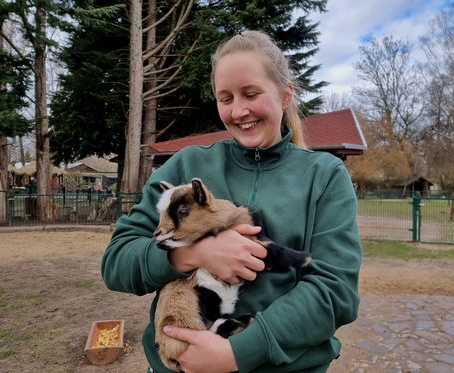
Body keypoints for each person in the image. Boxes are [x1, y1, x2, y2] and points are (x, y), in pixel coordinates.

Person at [102, 30, 362, 373]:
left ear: (285, 96)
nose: (239, 111)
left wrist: (237, 352)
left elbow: (336, 292)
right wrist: (192, 254)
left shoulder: (324, 176)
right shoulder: (186, 165)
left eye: (251, 94)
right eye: (225, 99)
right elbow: (117, 261)